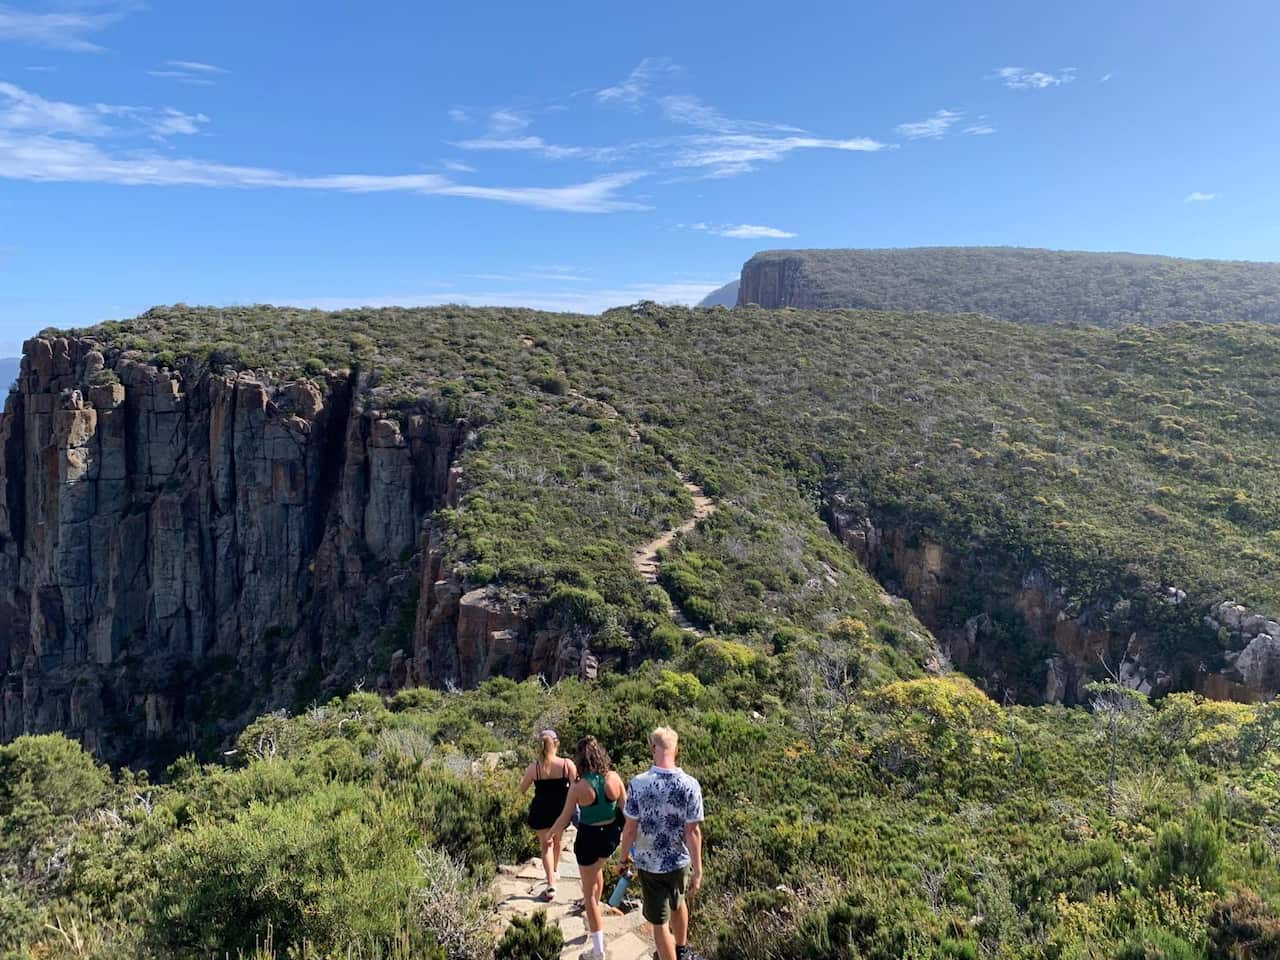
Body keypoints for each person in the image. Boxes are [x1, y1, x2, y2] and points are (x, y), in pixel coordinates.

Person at [618, 727, 704, 960]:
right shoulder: (690, 784)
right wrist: (698, 870)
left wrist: (624, 858)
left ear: (652, 749)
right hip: (680, 862)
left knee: (659, 924)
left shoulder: (638, 783)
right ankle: (682, 950)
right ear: (676, 749)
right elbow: (693, 832)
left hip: (650, 864)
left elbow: (630, 828)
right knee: (678, 902)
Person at [550, 736, 627, 960]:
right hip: (611, 838)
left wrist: (551, 834)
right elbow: (629, 811)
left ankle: (598, 949)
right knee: (597, 871)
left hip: (588, 840)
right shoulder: (614, 778)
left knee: (588, 892)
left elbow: (564, 818)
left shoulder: (578, 787)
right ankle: (596, 909)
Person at [519, 729, 577, 900]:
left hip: (541, 810)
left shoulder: (534, 768)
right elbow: (577, 786)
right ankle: (554, 872)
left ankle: (551, 883)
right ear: (556, 744)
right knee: (557, 841)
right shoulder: (567, 764)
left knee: (546, 846)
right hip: (561, 810)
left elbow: (522, 789)